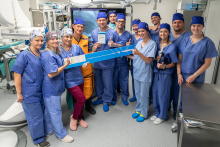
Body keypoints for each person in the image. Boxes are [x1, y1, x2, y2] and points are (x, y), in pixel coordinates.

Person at [12, 30, 50, 147]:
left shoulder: (42, 53)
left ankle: (41, 132)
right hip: (29, 91)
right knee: (35, 116)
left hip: (41, 89)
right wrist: (19, 93)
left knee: (41, 112)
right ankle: (38, 139)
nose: (39, 43)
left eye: (41, 40)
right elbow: (17, 74)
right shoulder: (24, 55)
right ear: (30, 40)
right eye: (36, 40)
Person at [41, 31, 74, 143]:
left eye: (56, 39)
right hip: (51, 88)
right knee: (55, 112)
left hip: (54, 87)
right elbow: (51, 73)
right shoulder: (48, 54)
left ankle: (49, 130)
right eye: (52, 39)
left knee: (49, 111)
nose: (55, 41)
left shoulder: (55, 51)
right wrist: (65, 65)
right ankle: (61, 134)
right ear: (47, 41)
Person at [89, 12, 124, 112]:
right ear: (97, 21)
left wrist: (114, 44)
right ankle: (100, 98)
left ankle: (106, 100)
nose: (101, 22)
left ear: (107, 20)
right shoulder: (94, 32)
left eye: (103, 20)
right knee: (98, 82)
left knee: (108, 83)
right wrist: (95, 46)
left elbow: (121, 45)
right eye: (99, 20)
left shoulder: (113, 32)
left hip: (108, 62)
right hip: (97, 62)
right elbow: (92, 47)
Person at [59, 27, 89, 131]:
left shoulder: (76, 47)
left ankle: (80, 118)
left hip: (79, 77)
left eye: (70, 37)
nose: (68, 39)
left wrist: (85, 63)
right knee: (81, 99)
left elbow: (84, 57)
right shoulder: (58, 50)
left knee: (79, 100)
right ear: (62, 37)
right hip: (69, 80)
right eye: (66, 36)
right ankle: (74, 118)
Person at [127, 22, 157, 122]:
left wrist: (138, 53)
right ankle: (138, 109)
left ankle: (144, 113)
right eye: (139, 31)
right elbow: (136, 57)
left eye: (142, 31)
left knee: (144, 94)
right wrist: (126, 55)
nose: (140, 33)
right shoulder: (139, 43)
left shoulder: (152, 44)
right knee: (138, 93)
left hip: (145, 73)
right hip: (136, 72)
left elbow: (148, 60)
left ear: (147, 31)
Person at [177, 16, 218, 86]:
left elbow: (207, 63)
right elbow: (179, 60)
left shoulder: (208, 42)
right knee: (183, 96)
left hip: (198, 77)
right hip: (183, 76)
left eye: (199, 26)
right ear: (190, 26)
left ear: (203, 27)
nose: (196, 28)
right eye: (194, 26)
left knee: (195, 96)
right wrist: (179, 74)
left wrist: (194, 75)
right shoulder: (185, 41)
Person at [151, 23, 179, 125]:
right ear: (159, 33)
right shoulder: (156, 45)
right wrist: (155, 59)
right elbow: (151, 57)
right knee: (155, 93)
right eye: (161, 31)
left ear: (169, 33)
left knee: (163, 95)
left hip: (166, 74)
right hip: (156, 73)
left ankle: (162, 115)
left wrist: (165, 66)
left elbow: (174, 63)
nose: (163, 33)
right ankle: (157, 112)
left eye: (165, 31)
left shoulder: (172, 47)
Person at [72, 18, 96, 115]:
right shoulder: (69, 39)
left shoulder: (86, 39)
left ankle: (88, 106)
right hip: (74, 71)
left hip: (86, 69)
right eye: (78, 26)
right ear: (73, 26)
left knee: (88, 89)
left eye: (82, 27)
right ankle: (78, 111)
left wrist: (94, 48)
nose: (80, 28)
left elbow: (90, 51)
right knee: (77, 93)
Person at [170, 13, 192, 120]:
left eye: (179, 22)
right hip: (168, 67)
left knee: (178, 92)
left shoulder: (188, 36)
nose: (177, 24)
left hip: (181, 68)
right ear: (172, 24)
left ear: (183, 23)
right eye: (175, 22)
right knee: (168, 90)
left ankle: (178, 112)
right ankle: (169, 109)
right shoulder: (168, 34)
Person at [112, 13, 131, 106]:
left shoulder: (128, 34)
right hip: (113, 62)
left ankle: (124, 96)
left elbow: (129, 49)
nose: (120, 23)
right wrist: (122, 45)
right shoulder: (111, 33)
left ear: (124, 23)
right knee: (113, 81)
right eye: (119, 21)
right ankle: (114, 97)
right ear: (116, 22)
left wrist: (117, 45)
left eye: (122, 22)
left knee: (124, 80)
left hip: (123, 62)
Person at [126, 19, 142, 102]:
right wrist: (128, 45)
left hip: (142, 62)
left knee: (142, 80)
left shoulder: (143, 37)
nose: (135, 27)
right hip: (133, 62)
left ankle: (143, 97)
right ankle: (135, 95)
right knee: (134, 79)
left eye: (137, 26)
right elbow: (129, 50)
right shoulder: (131, 36)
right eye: (133, 26)